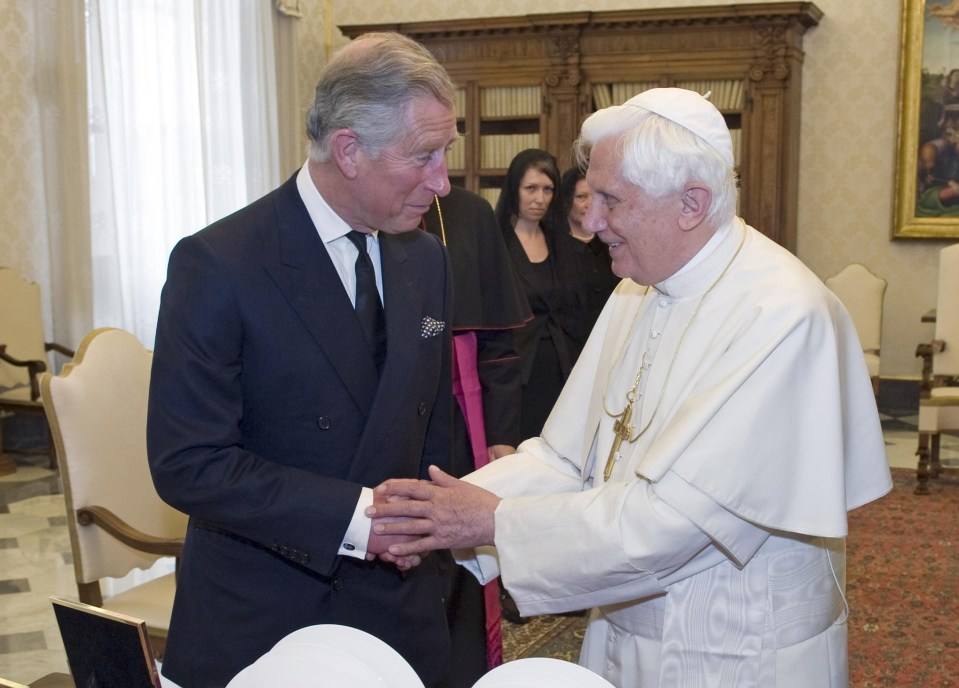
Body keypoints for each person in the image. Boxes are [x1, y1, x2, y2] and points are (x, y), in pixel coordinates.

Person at [368, 88, 894, 687]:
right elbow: (568, 457)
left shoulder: (782, 316)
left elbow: (675, 523)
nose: (589, 223)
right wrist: (439, 512)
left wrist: (490, 523)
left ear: (691, 204)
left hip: (732, 645)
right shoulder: (639, 284)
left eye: (610, 201)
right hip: (627, 622)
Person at [146, 32, 460, 688]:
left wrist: (437, 516)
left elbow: (430, 421)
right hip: (267, 617)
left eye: (445, 154)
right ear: (349, 150)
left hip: (401, 613)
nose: (443, 181)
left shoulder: (425, 258)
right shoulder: (220, 264)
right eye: (424, 156)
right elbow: (190, 464)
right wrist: (357, 523)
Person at [420, 185, 531, 683]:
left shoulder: (470, 213)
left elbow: (500, 344)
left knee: (460, 557)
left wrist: (502, 434)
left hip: (461, 416)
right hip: (382, 419)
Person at [495, 148, 580, 442]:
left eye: (548, 189)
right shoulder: (496, 242)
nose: (540, 198)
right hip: (514, 373)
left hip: (559, 366)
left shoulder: (562, 243)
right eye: (531, 188)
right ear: (514, 189)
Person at [558, 166, 619, 359]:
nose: (589, 204)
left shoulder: (612, 245)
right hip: (566, 350)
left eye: (594, 197)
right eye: (581, 197)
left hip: (607, 345)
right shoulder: (554, 248)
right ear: (567, 200)